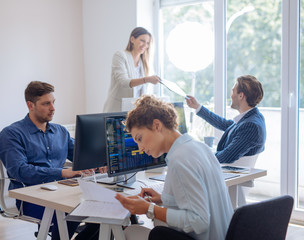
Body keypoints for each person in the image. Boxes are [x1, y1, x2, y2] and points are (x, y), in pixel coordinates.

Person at [115, 95, 233, 240]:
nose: (140, 148)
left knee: (130, 232)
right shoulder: (200, 147)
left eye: (140, 138)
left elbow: (199, 221)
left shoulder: (180, 160)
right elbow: (201, 198)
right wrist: (165, 199)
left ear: (157, 125)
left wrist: (149, 209)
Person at [0, 81, 99, 240]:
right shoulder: (12, 134)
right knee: (70, 210)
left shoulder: (60, 131)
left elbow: (81, 157)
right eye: (46, 103)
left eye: (53, 102)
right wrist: (63, 172)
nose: (53, 108)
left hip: (62, 192)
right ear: (31, 105)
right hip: (29, 197)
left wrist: (100, 165)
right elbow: (21, 171)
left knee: (105, 207)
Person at [186, 75, 266, 164]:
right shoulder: (252, 118)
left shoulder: (251, 126)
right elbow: (224, 124)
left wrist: (198, 158)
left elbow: (226, 156)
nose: (231, 95)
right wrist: (197, 107)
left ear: (241, 95)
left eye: (233, 91)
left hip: (229, 175)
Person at [103, 27, 161, 112]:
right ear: (132, 39)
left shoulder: (144, 63)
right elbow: (124, 82)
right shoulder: (120, 56)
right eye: (142, 41)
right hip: (117, 109)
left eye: (148, 43)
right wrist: (147, 79)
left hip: (135, 112)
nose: (145, 45)